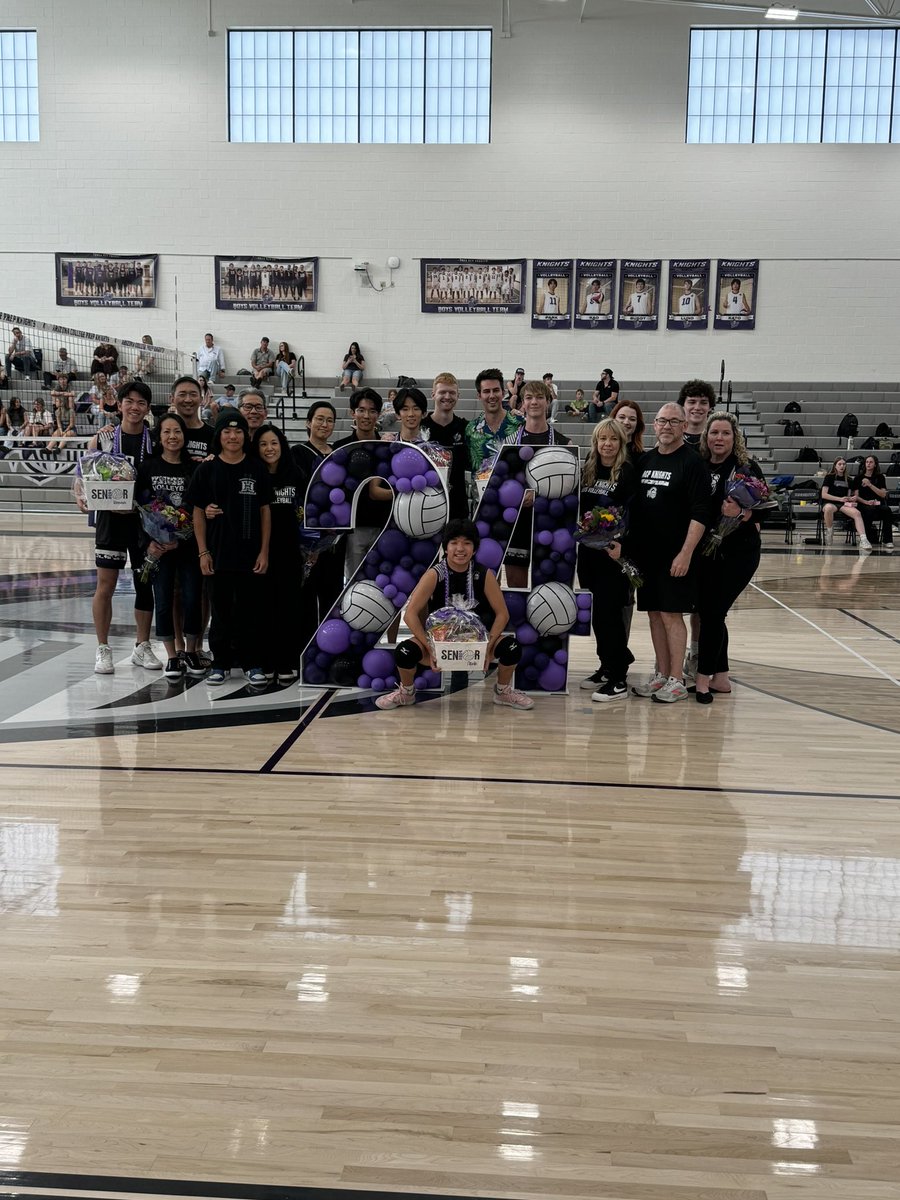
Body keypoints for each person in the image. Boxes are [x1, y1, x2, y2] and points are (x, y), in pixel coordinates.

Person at [375, 519, 534, 711]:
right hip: (439, 642)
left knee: (512, 648)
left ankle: (502, 692)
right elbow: (410, 614)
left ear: (474, 549)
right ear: (445, 547)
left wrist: (487, 647)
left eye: (467, 543)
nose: (460, 548)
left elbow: (503, 614)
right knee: (404, 652)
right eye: (454, 543)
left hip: (477, 643)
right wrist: (430, 647)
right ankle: (407, 693)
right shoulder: (435, 574)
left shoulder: (483, 574)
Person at [75, 380, 160, 676]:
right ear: (120, 404)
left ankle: (142, 645)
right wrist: (81, 496)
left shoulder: (156, 441)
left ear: (147, 408)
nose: (135, 407)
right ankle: (103, 648)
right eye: (129, 401)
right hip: (110, 522)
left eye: (141, 403)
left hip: (144, 524)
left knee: (144, 584)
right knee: (106, 586)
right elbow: (82, 479)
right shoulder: (103, 440)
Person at [629, 402, 710, 703]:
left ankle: (677, 678)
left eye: (673, 422)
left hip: (675, 556)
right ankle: (662, 674)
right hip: (646, 555)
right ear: (654, 425)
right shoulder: (645, 460)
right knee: (653, 614)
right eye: (662, 421)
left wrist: (686, 553)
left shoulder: (692, 462)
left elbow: (701, 512)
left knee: (671, 615)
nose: (667, 427)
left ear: (683, 425)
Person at [186, 411, 272, 686]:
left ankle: (251, 662)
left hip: (250, 556)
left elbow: (264, 512)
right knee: (220, 612)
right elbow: (198, 512)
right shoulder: (207, 470)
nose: (233, 436)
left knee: (251, 611)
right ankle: (220, 663)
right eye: (227, 431)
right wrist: (202, 551)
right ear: (219, 435)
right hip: (217, 554)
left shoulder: (256, 468)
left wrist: (264, 552)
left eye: (238, 432)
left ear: (245, 436)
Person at [694, 411, 766, 703]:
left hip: (739, 553)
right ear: (706, 437)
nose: (719, 438)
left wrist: (743, 513)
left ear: (734, 437)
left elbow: (767, 508)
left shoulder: (746, 468)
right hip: (708, 551)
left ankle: (702, 680)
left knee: (712, 614)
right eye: (714, 433)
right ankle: (721, 678)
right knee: (712, 612)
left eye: (725, 433)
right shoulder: (699, 465)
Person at [135, 413, 205, 681]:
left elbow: (197, 505)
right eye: (167, 432)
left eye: (177, 431)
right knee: (163, 599)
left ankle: (191, 651)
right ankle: (172, 656)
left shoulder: (193, 467)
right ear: (159, 436)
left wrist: (185, 530)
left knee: (191, 597)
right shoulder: (147, 468)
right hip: (159, 549)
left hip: (187, 545)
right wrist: (150, 543)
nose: (173, 436)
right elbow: (139, 509)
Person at [577, 419, 638, 701]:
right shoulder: (588, 468)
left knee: (610, 614)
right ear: (596, 441)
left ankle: (619, 676)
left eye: (613, 439)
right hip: (588, 554)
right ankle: (606, 665)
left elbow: (633, 515)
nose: (608, 444)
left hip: (612, 555)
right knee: (597, 616)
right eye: (603, 439)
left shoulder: (626, 472)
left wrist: (621, 546)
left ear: (621, 442)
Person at [501, 380, 572, 589]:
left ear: (548, 402)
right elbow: (503, 483)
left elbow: (569, 485)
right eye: (529, 398)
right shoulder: (510, 442)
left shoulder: (564, 443)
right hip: (517, 520)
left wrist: (538, 494)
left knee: (549, 586)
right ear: (522, 403)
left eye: (540, 397)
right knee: (516, 585)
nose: (534, 402)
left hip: (551, 518)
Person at [253, 423, 305, 683]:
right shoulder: (252, 474)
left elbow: (306, 513)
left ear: (282, 446)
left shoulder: (295, 473)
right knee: (262, 607)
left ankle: (286, 660)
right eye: (263, 444)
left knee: (289, 607)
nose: (269, 448)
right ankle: (265, 660)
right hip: (259, 552)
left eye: (274, 443)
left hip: (290, 552)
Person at [292, 401, 344, 652]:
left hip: (335, 536)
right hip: (307, 538)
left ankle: (328, 646)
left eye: (330, 420)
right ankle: (304, 647)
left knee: (332, 591)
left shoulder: (339, 453)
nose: (324, 424)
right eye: (319, 419)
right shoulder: (298, 453)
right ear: (308, 422)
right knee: (305, 594)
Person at [333, 388, 388, 581]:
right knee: (353, 584)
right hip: (353, 529)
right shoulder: (340, 448)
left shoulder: (387, 446)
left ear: (378, 414)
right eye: (361, 410)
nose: (366, 416)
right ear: (352, 412)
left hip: (384, 527)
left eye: (372, 411)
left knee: (382, 584)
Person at [465, 369, 524, 489]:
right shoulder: (471, 429)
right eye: (486, 391)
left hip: (514, 500)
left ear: (503, 392)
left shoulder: (520, 425)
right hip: (481, 501)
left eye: (496, 390)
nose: (492, 396)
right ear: (479, 395)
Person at [422, 372, 470, 520]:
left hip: (457, 504)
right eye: (442, 392)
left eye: (452, 393)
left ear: (458, 395)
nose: (447, 397)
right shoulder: (421, 427)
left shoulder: (465, 427)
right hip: (426, 503)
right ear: (433, 394)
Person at [821, 456, 871, 551]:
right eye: (839, 464)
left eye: (844, 464)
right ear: (835, 466)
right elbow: (824, 494)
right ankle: (830, 531)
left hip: (844, 504)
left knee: (857, 513)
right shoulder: (829, 477)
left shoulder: (849, 479)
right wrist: (839, 499)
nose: (842, 466)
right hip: (830, 502)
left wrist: (851, 499)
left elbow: (851, 496)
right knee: (828, 509)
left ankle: (864, 539)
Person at [853, 454, 894, 551]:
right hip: (863, 504)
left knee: (887, 510)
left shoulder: (880, 477)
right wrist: (866, 502)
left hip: (877, 504)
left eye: (871, 462)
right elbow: (856, 496)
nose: (868, 464)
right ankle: (865, 539)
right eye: (867, 462)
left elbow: (883, 494)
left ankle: (887, 540)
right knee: (868, 510)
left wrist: (870, 485)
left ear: (875, 464)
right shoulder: (858, 478)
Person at [169, 375, 214, 462]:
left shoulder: (213, 435)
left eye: (193, 395)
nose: (188, 400)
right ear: (172, 399)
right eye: (182, 394)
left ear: (201, 399)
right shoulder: (163, 434)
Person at [678, 379, 715, 448]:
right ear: (683, 405)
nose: (697, 408)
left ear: (710, 407)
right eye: (692, 402)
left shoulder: (717, 439)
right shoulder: (673, 438)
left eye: (703, 403)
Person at [46, 383, 77, 452]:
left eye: (57, 401)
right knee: (55, 434)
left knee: (66, 435)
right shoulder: (57, 411)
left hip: (71, 429)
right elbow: (59, 423)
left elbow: (71, 424)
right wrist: (60, 430)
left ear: (62, 402)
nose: (55, 402)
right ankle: (48, 448)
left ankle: (59, 448)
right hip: (62, 428)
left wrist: (64, 431)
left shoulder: (71, 411)